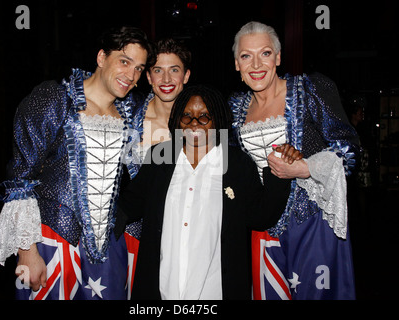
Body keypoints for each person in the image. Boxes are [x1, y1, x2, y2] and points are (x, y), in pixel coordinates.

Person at [0, 26, 155, 300]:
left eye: (138, 68)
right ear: (101, 57)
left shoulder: (132, 114)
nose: (131, 75)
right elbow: (20, 180)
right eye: (124, 62)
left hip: (108, 245)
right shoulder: (54, 100)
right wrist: (27, 251)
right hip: (52, 240)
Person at [114, 84, 299, 300]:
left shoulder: (236, 163)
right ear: (177, 120)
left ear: (217, 120)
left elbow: (261, 216)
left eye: (204, 116)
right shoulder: (160, 156)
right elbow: (131, 203)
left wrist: (280, 171)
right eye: (187, 116)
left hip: (216, 291)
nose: (194, 123)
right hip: (162, 289)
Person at [229, 21, 360, 300]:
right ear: (237, 65)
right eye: (245, 56)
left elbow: (349, 150)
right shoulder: (235, 109)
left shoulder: (310, 89)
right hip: (262, 228)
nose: (256, 64)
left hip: (311, 224)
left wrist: (304, 167)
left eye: (265, 53)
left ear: (278, 57)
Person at [122, 38, 192, 297]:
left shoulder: (202, 121)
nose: (166, 78)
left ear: (186, 75)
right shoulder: (128, 118)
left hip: (185, 235)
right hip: (134, 234)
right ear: (148, 77)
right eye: (157, 70)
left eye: (174, 69)